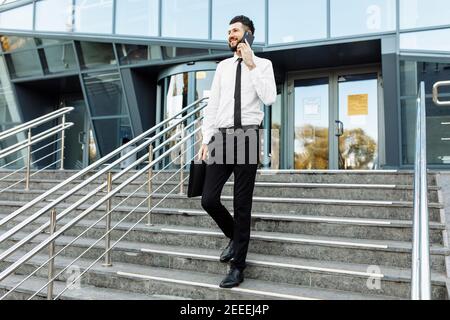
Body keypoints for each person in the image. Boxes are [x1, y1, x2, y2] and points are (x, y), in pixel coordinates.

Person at [198, 15, 276, 288]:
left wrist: (252, 63)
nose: (230, 35)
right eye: (229, 30)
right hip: (221, 137)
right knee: (208, 199)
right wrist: (207, 139)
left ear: (248, 35)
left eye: (235, 30)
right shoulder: (223, 67)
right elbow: (213, 104)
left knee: (242, 205)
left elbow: (269, 98)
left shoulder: (264, 65)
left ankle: (237, 267)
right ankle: (235, 237)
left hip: (248, 136)